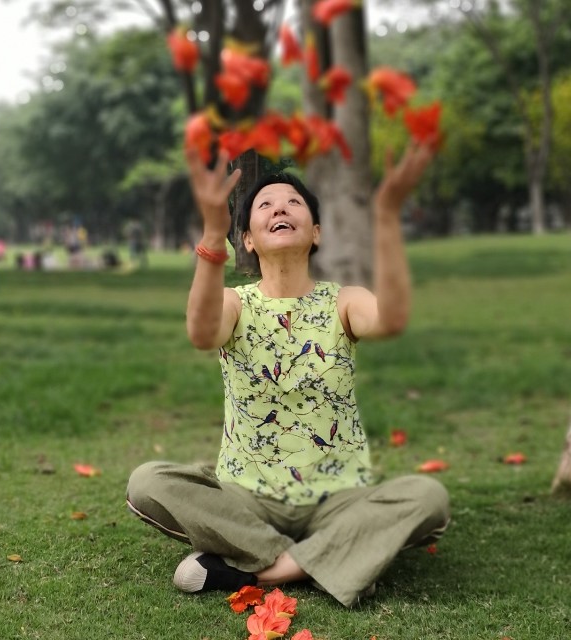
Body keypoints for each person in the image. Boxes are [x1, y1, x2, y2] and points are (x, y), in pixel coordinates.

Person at [126, 143, 450, 608]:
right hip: (247, 497)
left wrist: (386, 215)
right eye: (265, 205)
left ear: (315, 233)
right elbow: (201, 333)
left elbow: (393, 318)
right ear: (250, 240)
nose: (280, 207)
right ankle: (338, 562)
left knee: (428, 496)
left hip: (336, 499)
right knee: (147, 481)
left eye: (294, 202)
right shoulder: (238, 304)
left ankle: (269, 568)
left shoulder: (344, 300)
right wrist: (214, 233)